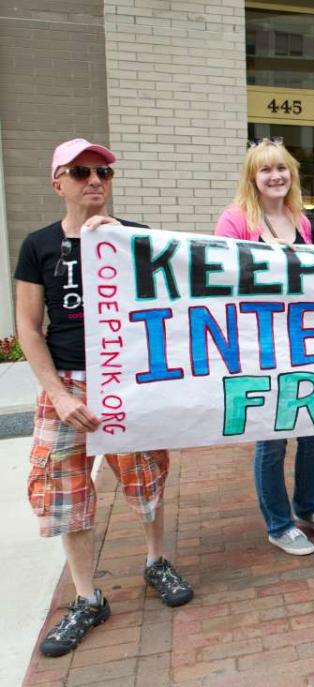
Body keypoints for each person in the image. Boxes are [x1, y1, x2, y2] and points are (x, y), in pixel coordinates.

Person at [15, 139, 193, 658]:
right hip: (67, 383)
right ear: (59, 182)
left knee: (145, 476)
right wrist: (56, 391)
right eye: (80, 172)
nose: (94, 180)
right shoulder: (38, 245)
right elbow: (28, 325)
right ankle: (88, 597)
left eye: (103, 172)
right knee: (64, 489)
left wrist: (128, 243)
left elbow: (177, 297)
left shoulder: (135, 237)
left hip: (128, 380)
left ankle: (156, 560)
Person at [215, 138, 314, 556]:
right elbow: (223, 281)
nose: (276, 176)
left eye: (282, 168)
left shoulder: (299, 222)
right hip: (261, 343)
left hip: (304, 341)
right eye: (266, 169)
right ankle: (278, 523)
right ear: (252, 177)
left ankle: (308, 506)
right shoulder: (235, 221)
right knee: (272, 437)